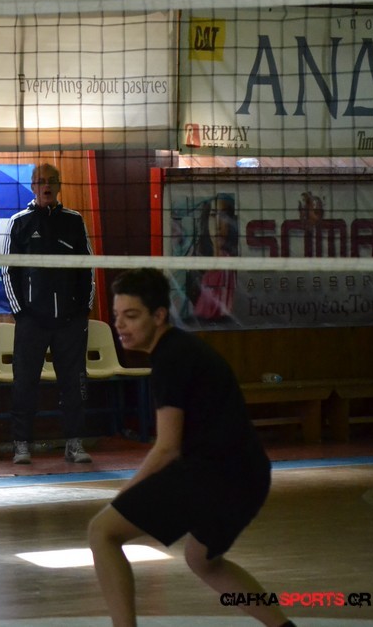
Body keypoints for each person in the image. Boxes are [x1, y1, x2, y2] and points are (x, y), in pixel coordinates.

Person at [88, 268, 293, 627]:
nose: (120, 325)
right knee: (203, 560)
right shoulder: (180, 350)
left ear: (159, 315)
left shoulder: (171, 358)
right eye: (117, 316)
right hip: (250, 475)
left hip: (215, 475)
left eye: (131, 316)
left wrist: (125, 495)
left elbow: (167, 449)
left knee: (102, 531)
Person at [0, 162, 95, 465]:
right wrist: (21, 313)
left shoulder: (74, 221)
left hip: (70, 321)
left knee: (74, 383)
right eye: (41, 181)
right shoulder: (19, 222)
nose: (46, 186)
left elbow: (87, 268)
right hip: (32, 321)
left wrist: (83, 311)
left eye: (52, 180)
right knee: (24, 382)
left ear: (59, 185)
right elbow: (8, 270)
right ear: (33, 186)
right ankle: (21, 444)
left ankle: (74, 443)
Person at [186, 193, 238, 322]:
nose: (218, 224)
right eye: (213, 215)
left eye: (224, 216)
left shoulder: (233, 264)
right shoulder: (195, 261)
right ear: (206, 220)